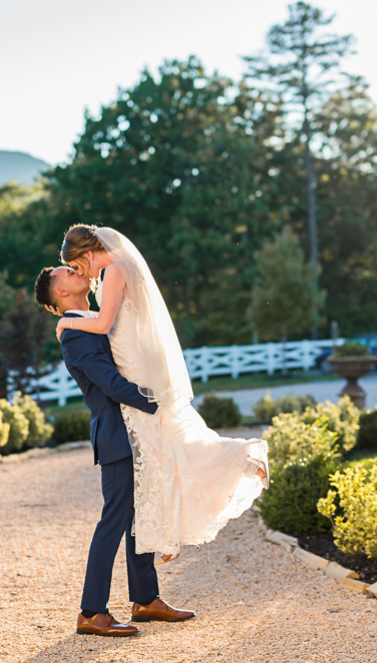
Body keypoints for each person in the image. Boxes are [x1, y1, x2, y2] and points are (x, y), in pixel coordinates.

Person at [52, 225, 268, 563]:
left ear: (88, 254)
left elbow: (105, 325)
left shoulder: (112, 268)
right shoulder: (122, 266)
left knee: (161, 453)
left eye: (80, 266)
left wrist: (65, 323)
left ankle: (239, 460)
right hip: (135, 363)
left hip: (134, 373)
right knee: (164, 452)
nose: (84, 273)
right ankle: (174, 530)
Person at [33, 265, 195, 637]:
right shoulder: (74, 332)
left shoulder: (95, 319)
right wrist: (160, 405)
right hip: (116, 436)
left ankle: (145, 599)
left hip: (136, 432)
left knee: (138, 518)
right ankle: (91, 611)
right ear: (60, 293)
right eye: (69, 273)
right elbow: (110, 384)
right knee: (114, 520)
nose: (79, 273)